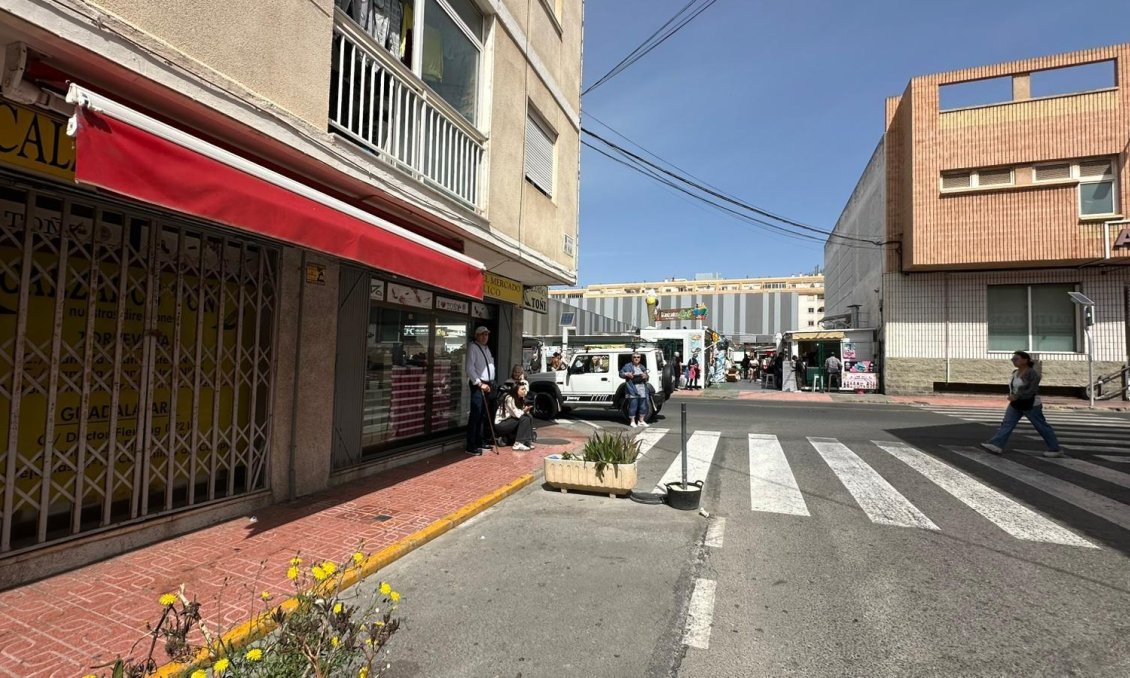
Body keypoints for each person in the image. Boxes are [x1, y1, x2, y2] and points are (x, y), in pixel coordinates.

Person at [980, 351, 1062, 457]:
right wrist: (1013, 395)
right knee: (1007, 423)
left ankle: (1055, 449)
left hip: (1030, 403)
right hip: (1016, 403)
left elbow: (1032, 389)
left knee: (1041, 425)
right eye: (1012, 359)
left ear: (1025, 360)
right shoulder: (1015, 372)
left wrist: (1017, 395)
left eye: (1016, 359)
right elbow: (1014, 387)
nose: (1014, 361)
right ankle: (996, 444)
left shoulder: (1031, 373)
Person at [464, 326, 496, 456]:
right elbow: (469, 368)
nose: (485, 337)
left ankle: (480, 440)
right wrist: (479, 383)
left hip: (487, 384)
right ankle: (470, 445)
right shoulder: (473, 347)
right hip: (479, 385)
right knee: (476, 414)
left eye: (487, 334)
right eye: (482, 334)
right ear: (476, 335)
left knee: (483, 414)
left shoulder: (486, 348)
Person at [495, 381, 536, 451]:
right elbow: (516, 414)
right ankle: (518, 443)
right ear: (516, 390)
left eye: (525, 389)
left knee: (529, 416)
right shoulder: (509, 398)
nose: (525, 391)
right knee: (524, 418)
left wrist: (526, 411)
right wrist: (524, 411)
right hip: (501, 424)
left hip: (510, 420)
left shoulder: (520, 398)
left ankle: (527, 440)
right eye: (522, 389)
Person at [620, 352, 650, 427]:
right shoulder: (627, 366)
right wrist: (626, 374)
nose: (636, 358)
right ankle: (632, 421)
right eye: (635, 357)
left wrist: (645, 376)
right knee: (633, 405)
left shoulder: (642, 367)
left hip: (642, 389)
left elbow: (647, 377)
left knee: (643, 406)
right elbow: (620, 373)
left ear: (640, 358)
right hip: (632, 389)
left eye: (638, 357)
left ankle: (641, 421)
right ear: (632, 358)